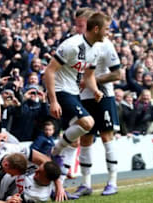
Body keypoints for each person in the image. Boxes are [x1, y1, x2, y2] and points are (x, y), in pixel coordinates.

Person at [44, 12, 110, 164]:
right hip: (61, 90)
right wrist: (53, 101)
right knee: (88, 123)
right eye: (106, 29)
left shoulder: (96, 49)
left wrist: (95, 90)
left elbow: (89, 76)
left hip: (74, 93)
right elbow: (49, 70)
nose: (108, 33)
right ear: (96, 29)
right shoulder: (71, 46)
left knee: (75, 139)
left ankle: (59, 177)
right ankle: (55, 151)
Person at [75, 10, 123, 196]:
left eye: (80, 24)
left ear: (91, 24)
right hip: (83, 97)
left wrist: (93, 82)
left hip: (103, 96)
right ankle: (86, 184)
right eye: (77, 24)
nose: (78, 28)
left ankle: (112, 182)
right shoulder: (76, 43)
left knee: (106, 136)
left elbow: (117, 74)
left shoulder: (106, 44)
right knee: (85, 138)